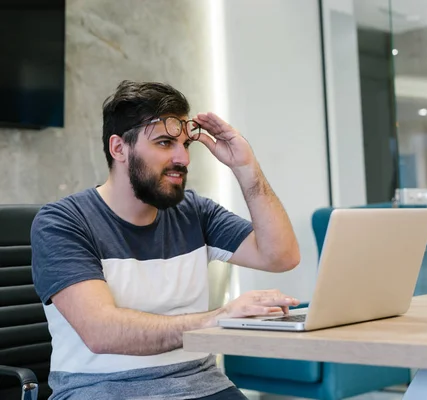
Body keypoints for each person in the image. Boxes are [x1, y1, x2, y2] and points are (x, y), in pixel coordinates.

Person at [31, 80, 301, 400]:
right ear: (119, 148)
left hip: (203, 385)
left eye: (186, 144)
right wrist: (217, 319)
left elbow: (281, 256)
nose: (183, 158)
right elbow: (101, 331)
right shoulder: (62, 222)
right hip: (102, 391)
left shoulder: (195, 213)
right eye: (164, 143)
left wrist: (245, 167)